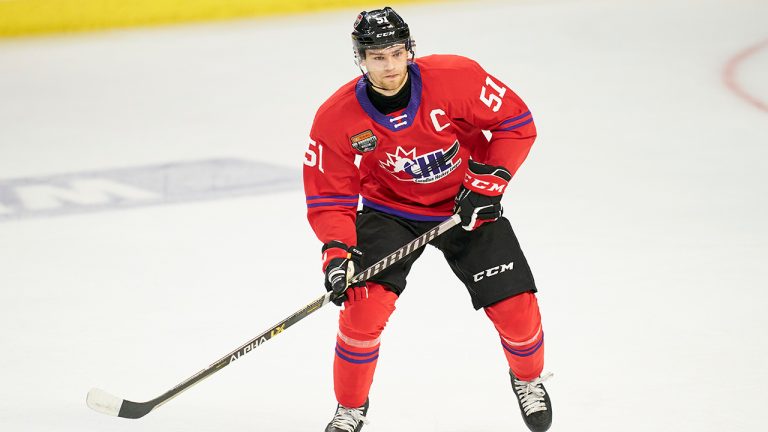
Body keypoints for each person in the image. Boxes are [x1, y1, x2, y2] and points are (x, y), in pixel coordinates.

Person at [302, 7, 552, 432]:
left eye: (396, 54)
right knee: (362, 311)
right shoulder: (336, 118)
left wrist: (487, 184)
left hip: (463, 205)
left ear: (409, 51)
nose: (389, 65)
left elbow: (516, 123)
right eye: (377, 57)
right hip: (390, 212)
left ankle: (528, 379)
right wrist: (337, 252)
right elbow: (330, 194)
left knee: (515, 305)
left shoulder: (456, 78)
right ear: (360, 59)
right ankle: (349, 409)